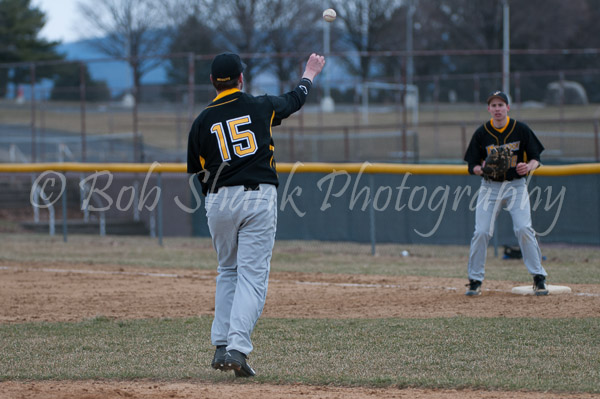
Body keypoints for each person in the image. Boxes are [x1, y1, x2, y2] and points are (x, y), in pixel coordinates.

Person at [187, 52, 325, 377]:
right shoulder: (260, 106)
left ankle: (221, 344)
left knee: (227, 271)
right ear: (241, 78)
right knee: (251, 277)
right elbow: (294, 100)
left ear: (212, 82)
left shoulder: (202, 121)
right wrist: (309, 73)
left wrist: (213, 201)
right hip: (257, 197)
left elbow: (197, 173)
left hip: (218, 201)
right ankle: (236, 347)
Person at [463, 90, 549, 296]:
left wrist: (528, 167)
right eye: (493, 105)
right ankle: (475, 280)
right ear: (489, 109)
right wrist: (480, 169)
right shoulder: (482, 133)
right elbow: (472, 165)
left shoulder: (520, 129)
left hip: (516, 186)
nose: (497, 109)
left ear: (507, 108)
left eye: (501, 105)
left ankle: (539, 277)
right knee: (481, 232)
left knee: (523, 228)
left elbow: (536, 158)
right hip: (489, 187)